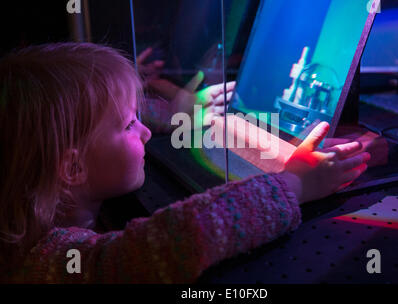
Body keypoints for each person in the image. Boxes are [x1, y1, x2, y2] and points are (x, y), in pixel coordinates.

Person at [0, 43, 370, 283]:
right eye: (131, 124)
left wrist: (179, 114)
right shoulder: (52, 261)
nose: (145, 132)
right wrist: (295, 184)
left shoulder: (44, 214)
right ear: (73, 169)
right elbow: (180, 237)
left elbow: (121, 125)